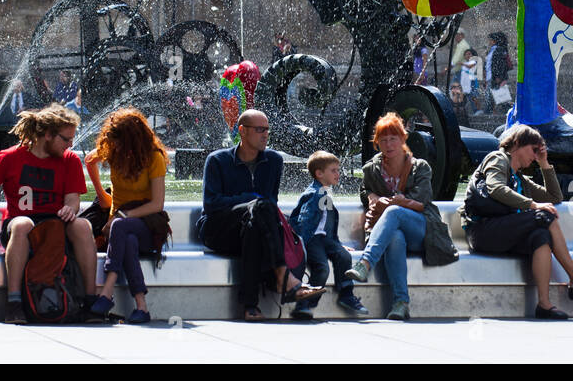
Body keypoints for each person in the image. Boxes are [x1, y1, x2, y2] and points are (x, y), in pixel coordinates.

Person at [459, 124, 573, 320]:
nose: (536, 155)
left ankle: (544, 305)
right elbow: (495, 188)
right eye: (534, 149)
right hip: (482, 230)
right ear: (517, 144)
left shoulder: (520, 179)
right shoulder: (497, 159)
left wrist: (544, 164)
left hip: (503, 231)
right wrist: (532, 205)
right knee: (545, 216)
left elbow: (554, 196)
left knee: (541, 236)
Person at [0, 103, 98, 324]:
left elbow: (73, 199)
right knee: (23, 224)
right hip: (20, 224)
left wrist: (70, 208)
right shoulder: (10, 156)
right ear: (47, 135)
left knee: (82, 225)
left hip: (54, 225)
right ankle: (14, 304)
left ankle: (90, 302)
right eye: (66, 139)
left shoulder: (69, 160)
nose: (71, 144)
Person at [196, 109, 324, 321]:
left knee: (255, 225)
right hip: (218, 229)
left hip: (253, 230)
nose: (265, 134)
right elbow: (211, 205)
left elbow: (270, 205)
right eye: (259, 130)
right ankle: (285, 278)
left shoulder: (273, 161)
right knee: (260, 207)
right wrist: (250, 199)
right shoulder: (217, 160)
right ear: (242, 131)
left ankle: (251, 307)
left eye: (267, 130)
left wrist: (257, 205)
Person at [345, 113, 459, 320]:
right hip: (392, 231)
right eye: (383, 140)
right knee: (395, 237)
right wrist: (372, 197)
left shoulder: (420, 166)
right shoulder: (372, 169)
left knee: (394, 212)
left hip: (423, 230)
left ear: (403, 138)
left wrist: (396, 202)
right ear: (377, 143)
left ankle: (365, 263)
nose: (388, 144)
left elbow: (422, 199)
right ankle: (400, 303)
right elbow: (365, 191)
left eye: (393, 138)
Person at [85, 108, 170, 324]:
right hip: (120, 231)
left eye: (120, 142)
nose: (116, 146)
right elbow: (89, 160)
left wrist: (123, 213)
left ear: (133, 139)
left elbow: (157, 204)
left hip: (147, 226)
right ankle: (141, 306)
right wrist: (102, 196)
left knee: (122, 227)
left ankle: (107, 291)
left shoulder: (154, 158)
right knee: (126, 239)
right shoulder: (114, 151)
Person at [288, 150, 368, 320]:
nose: (338, 174)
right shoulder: (314, 194)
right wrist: (302, 244)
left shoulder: (325, 192)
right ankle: (304, 304)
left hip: (324, 239)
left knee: (343, 256)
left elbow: (327, 225)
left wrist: (337, 244)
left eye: (338, 170)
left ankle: (346, 295)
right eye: (334, 170)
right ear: (319, 173)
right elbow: (304, 221)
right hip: (311, 239)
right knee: (322, 268)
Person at [459, 47, 481, 114]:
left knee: (474, 97)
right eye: (466, 54)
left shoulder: (473, 61)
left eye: (469, 54)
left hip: (472, 82)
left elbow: (470, 66)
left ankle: (478, 110)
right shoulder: (465, 64)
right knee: (466, 98)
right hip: (465, 84)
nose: (468, 55)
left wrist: (462, 64)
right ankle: (463, 111)